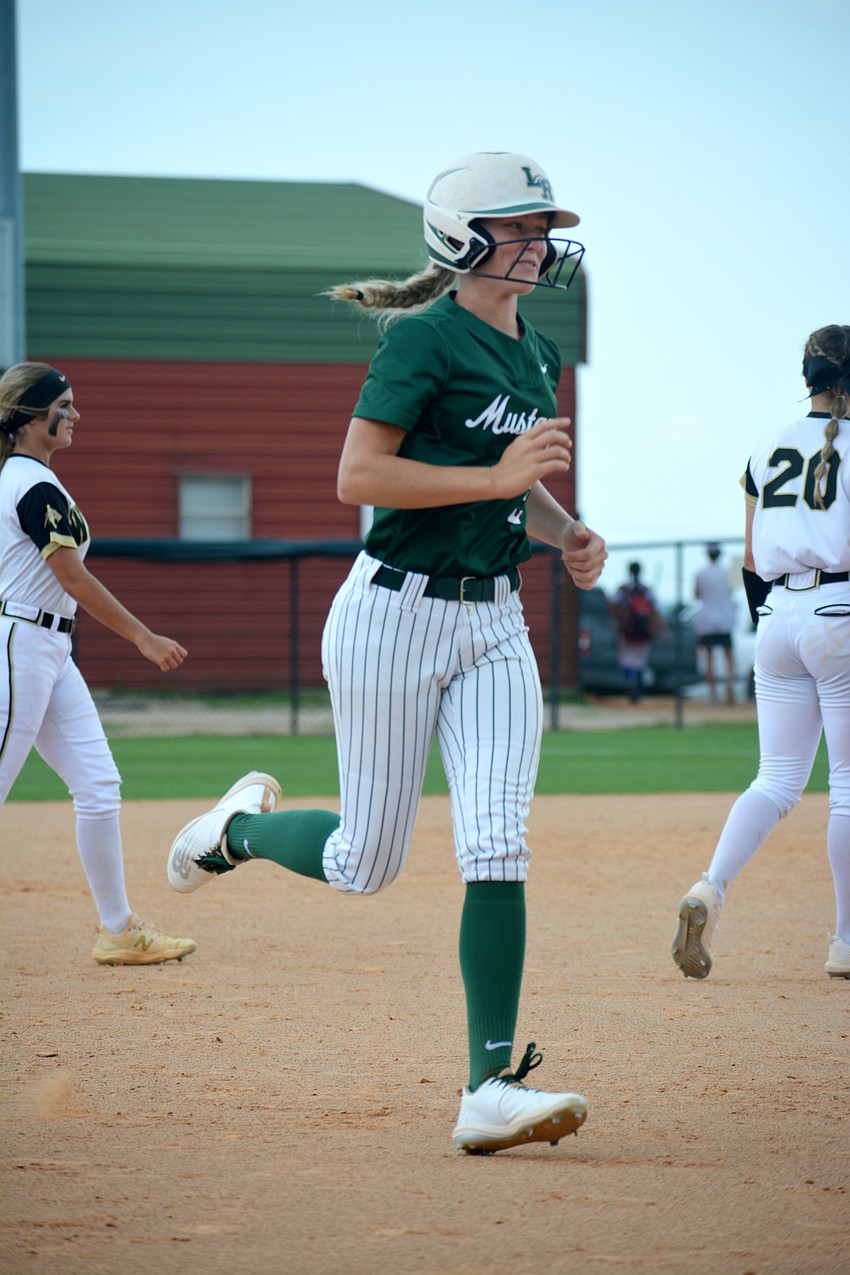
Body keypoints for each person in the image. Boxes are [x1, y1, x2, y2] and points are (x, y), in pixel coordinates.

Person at [167, 151, 608, 1153]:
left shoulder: (531, 350)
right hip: (391, 616)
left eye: (545, 228)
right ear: (463, 239)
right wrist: (496, 473)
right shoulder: (423, 339)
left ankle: (487, 1087)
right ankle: (234, 832)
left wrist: (564, 531)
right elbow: (358, 475)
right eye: (522, 227)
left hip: (494, 619)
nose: (541, 243)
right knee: (365, 864)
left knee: (495, 839)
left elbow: (512, 488)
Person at [0, 362, 196, 966]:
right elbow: (71, 577)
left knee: (98, 785)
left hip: (49, 648)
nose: (75, 415)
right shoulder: (29, 484)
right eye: (65, 404)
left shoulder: (34, 480)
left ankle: (117, 930)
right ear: (32, 416)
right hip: (20, 642)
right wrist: (141, 636)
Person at [672, 324, 850, 981]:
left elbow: (751, 558)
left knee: (775, 779)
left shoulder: (765, 443)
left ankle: (709, 887)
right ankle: (845, 941)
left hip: (776, 614)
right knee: (848, 787)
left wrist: (773, 622)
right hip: (840, 610)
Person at [610, 561, 663, 703]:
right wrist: (662, 630)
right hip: (644, 632)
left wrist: (619, 616)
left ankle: (630, 682)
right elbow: (656, 610)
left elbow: (611, 604)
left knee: (626, 659)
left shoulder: (624, 590)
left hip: (627, 631)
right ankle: (638, 691)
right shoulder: (646, 590)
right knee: (640, 661)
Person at [694, 543, 737, 704]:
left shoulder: (701, 574)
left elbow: (697, 594)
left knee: (709, 659)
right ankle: (729, 686)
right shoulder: (728, 572)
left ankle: (713, 695)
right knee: (729, 657)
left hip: (707, 621)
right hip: (725, 619)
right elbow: (732, 592)